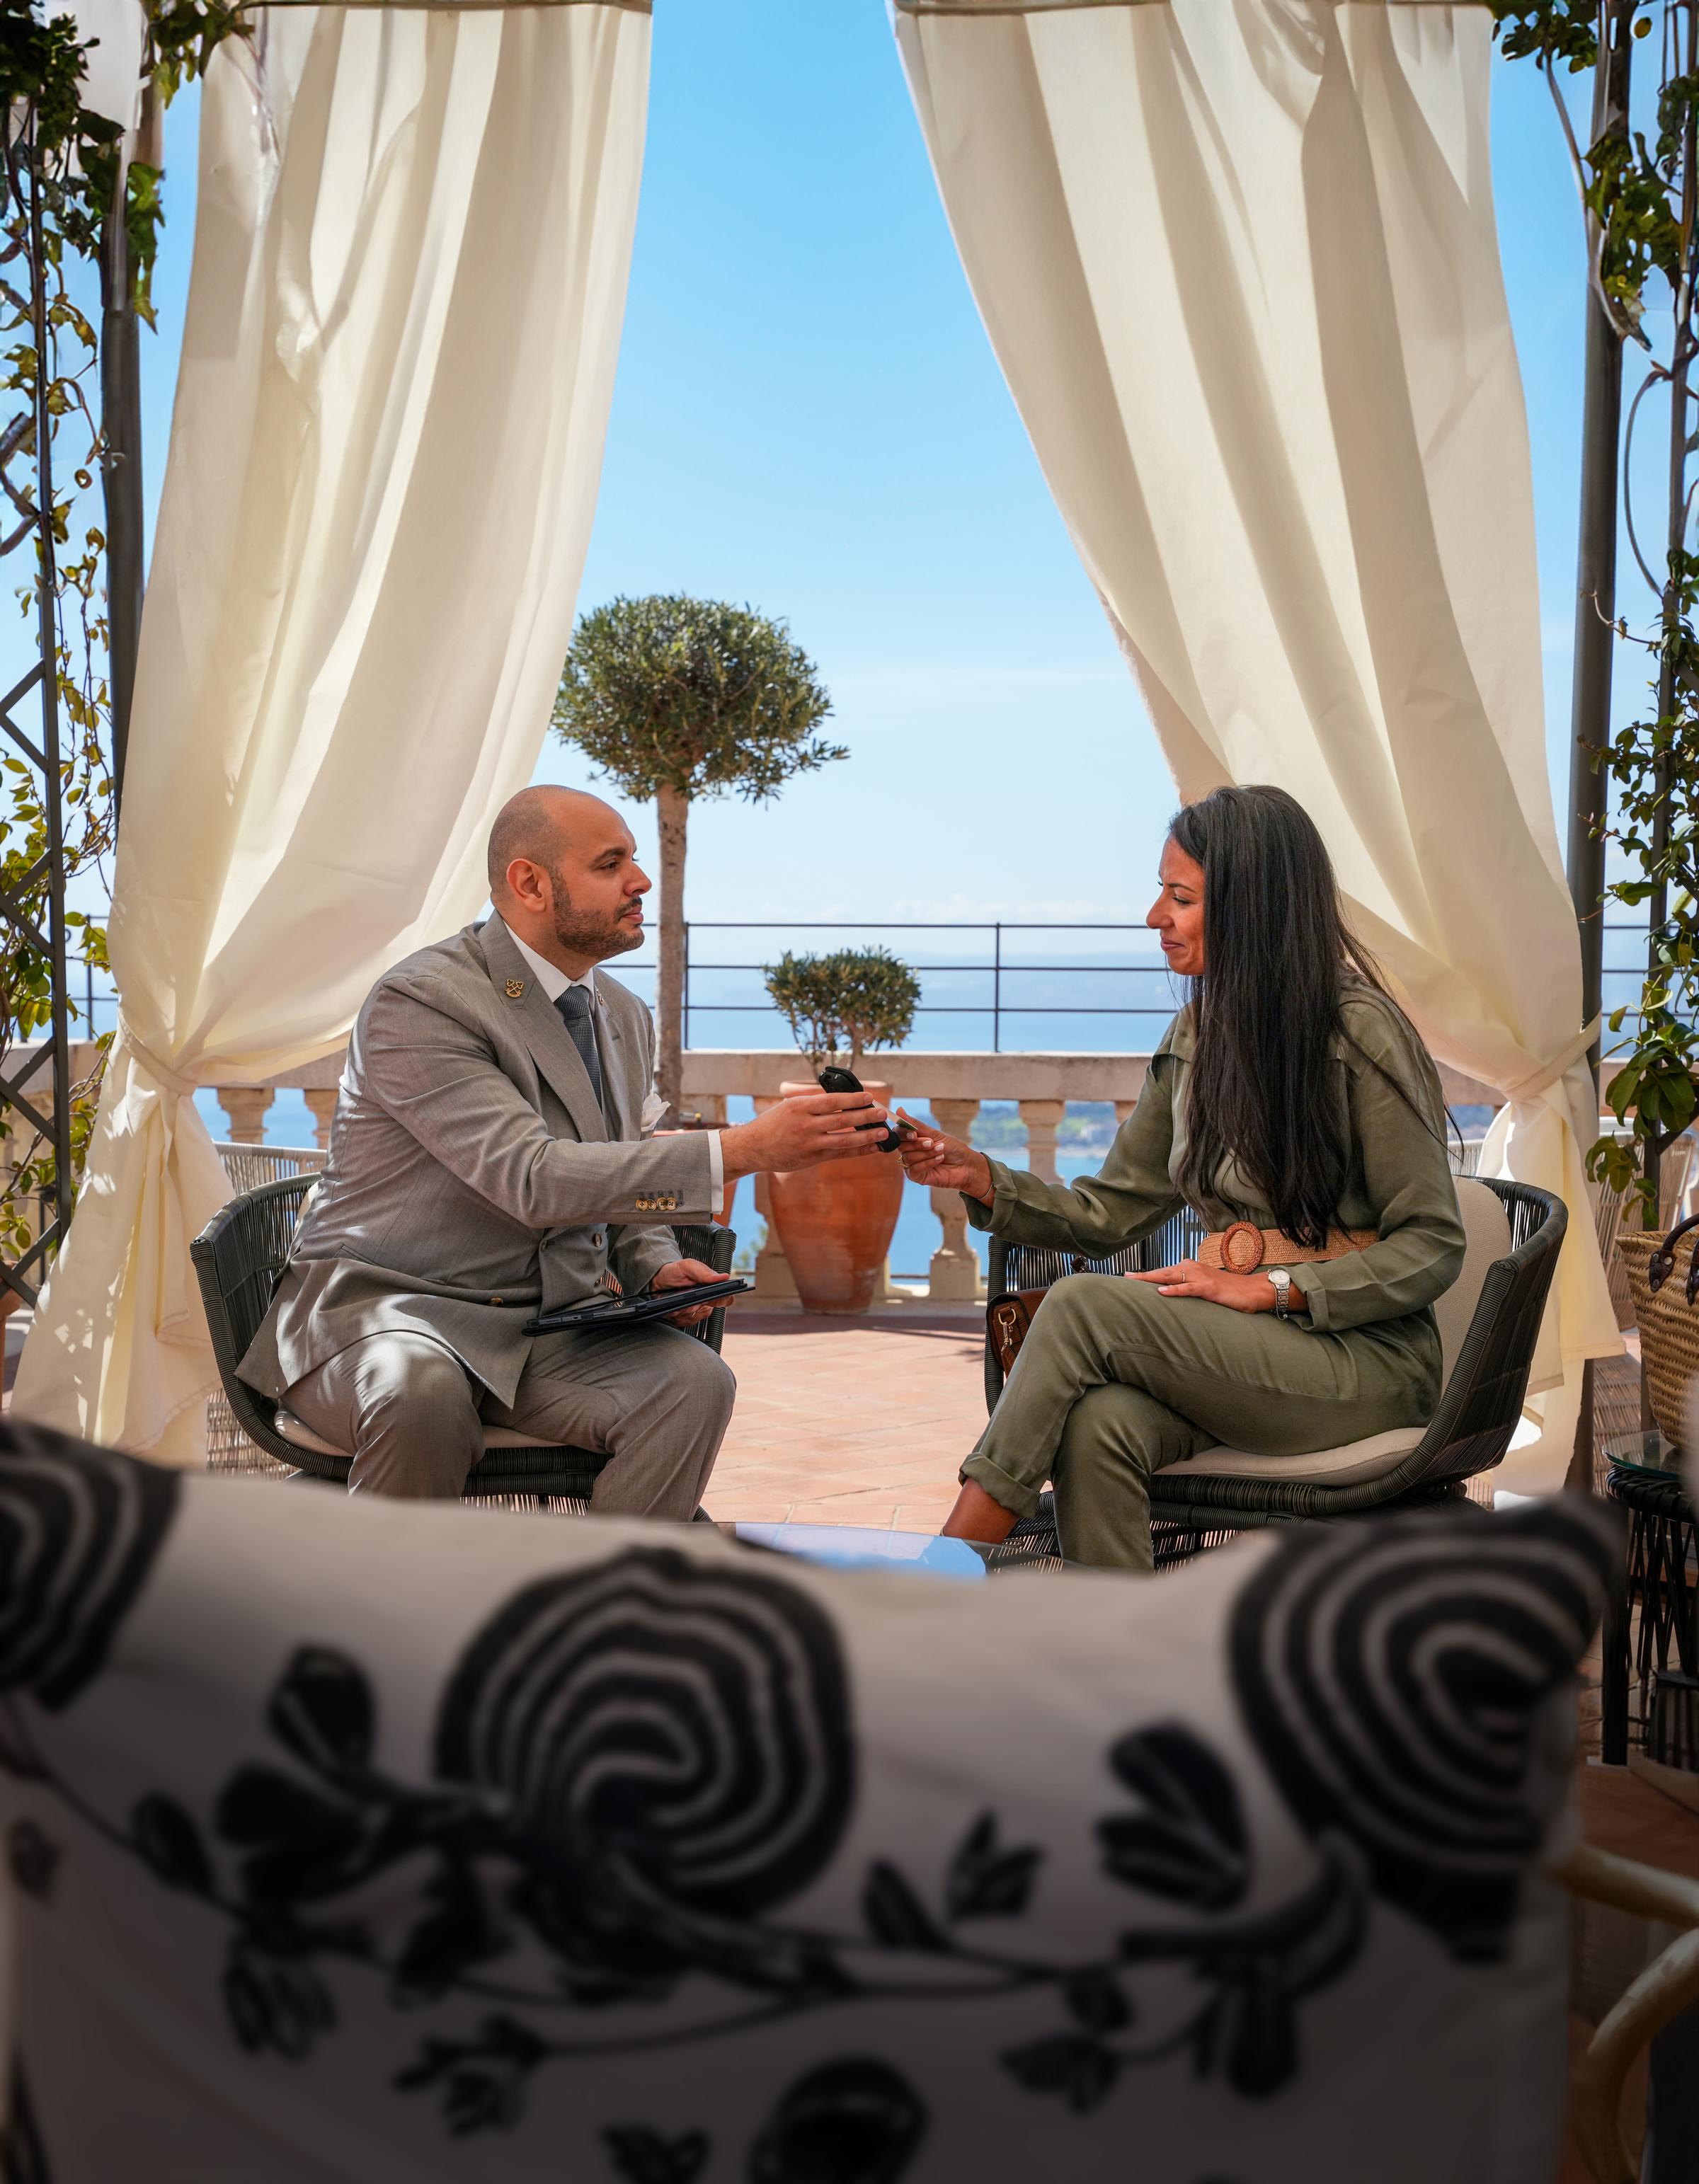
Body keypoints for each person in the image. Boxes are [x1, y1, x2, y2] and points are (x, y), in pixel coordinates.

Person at [239, 785, 893, 1505]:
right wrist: (743, 1149)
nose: (639, 881)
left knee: (692, 1383)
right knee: (418, 1389)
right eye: (611, 864)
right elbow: (533, 1177)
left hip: (542, 1328)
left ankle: (600, 1602)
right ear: (531, 883)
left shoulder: (620, 1012)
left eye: (635, 861)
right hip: (387, 1313)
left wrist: (653, 1260)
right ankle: (395, 1610)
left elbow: (615, 1166)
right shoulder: (423, 1001)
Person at [896, 783, 1467, 1573]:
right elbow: (1109, 1211)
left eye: (1181, 896)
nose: (1154, 915)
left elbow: (1434, 1242)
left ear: (1252, 905)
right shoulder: (1197, 1032)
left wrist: (1277, 1289)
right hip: (1250, 1357)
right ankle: (1128, 1673)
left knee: (1083, 1304)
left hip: (1362, 1363)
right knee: (1100, 1424)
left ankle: (942, 1570)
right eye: (1163, 892)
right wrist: (982, 1175)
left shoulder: (1359, 1032)